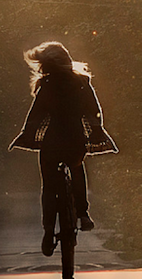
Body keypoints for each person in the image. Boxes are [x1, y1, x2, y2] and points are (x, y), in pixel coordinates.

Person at [9, 41, 118, 257]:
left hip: (51, 143)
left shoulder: (46, 86)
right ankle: (83, 214)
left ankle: (48, 231)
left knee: (49, 186)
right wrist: (97, 131)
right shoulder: (82, 82)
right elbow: (94, 110)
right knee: (77, 168)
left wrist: (26, 134)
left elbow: (35, 116)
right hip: (75, 139)